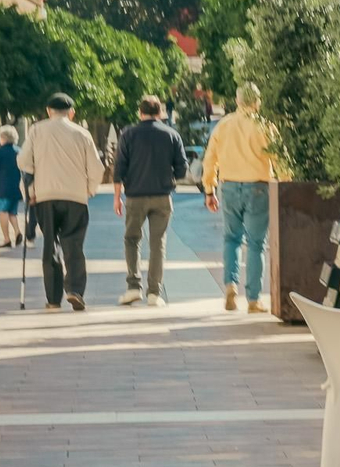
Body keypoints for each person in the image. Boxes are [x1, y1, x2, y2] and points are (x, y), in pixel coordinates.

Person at [203, 84, 285, 313]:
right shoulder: (265, 126)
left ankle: (230, 284)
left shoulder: (224, 125)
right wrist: (286, 184)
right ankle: (253, 299)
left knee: (231, 238)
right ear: (257, 102)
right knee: (256, 244)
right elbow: (279, 160)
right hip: (258, 187)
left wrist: (209, 189)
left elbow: (210, 159)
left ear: (237, 101)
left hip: (229, 186)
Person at [18, 93, 103, 311]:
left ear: (48, 111)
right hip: (75, 197)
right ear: (72, 113)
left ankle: (53, 299)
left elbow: (24, 162)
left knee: (50, 245)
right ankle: (75, 290)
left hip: (45, 197)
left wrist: (29, 191)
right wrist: (90, 189)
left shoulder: (36, 130)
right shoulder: (82, 133)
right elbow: (96, 168)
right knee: (73, 244)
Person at [113, 95, 187, 307]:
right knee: (158, 243)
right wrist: (169, 176)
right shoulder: (172, 135)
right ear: (160, 113)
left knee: (131, 239)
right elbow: (182, 169)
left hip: (135, 197)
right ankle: (154, 292)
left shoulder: (128, 134)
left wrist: (117, 197)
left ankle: (133, 287)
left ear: (140, 113)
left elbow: (119, 168)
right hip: (162, 197)